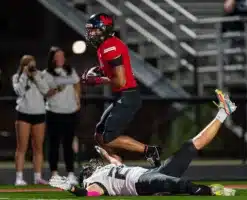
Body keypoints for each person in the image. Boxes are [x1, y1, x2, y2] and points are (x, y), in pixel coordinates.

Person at [49, 89, 237, 197]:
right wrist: (73, 189)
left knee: (189, 146)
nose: (93, 164)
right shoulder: (93, 182)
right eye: (90, 167)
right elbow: (90, 195)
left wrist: (103, 153)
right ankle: (210, 191)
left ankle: (224, 112)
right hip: (141, 183)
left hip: (151, 173)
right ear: (87, 174)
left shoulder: (108, 168)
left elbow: (112, 159)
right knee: (174, 184)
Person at [81, 13, 161, 167]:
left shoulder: (110, 47)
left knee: (109, 137)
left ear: (104, 29)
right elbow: (113, 72)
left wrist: (96, 80)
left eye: (94, 30)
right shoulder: (106, 45)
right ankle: (115, 164)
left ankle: (149, 151)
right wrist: (98, 71)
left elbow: (120, 80)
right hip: (122, 95)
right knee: (99, 134)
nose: (91, 33)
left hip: (127, 96)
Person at [12, 55, 53, 185]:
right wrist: (24, 76)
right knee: (22, 147)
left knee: (38, 147)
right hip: (23, 113)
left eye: (33, 64)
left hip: (39, 113)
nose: (31, 66)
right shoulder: (17, 77)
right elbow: (19, 92)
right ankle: (19, 178)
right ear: (23, 65)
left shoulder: (40, 75)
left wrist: (35, 76)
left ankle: (38, 177)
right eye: (28, 64)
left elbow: (46, 90)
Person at [43, 46, 81, 184]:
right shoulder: (46, 74)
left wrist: (78, 100)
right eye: (58, 56)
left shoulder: (70, 71)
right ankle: (54, 174)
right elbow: (45, 92)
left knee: (68, 144)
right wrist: (55, 89)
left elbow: (77, 83)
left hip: (70, 112)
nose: (61, 59)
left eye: (62, 56)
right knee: (53, 144)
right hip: (54, 112)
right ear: (52, 58)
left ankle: (71, 173)